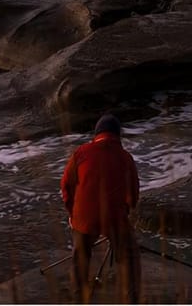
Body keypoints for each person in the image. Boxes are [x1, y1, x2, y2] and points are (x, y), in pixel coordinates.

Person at [60, 113, 142, 302]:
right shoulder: (125, 157)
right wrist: (127, 210)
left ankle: (79, 298)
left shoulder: (80, 152)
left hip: (84, 217)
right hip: (114, 217)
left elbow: (66, 185)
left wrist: (72, 213)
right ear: (117, 135)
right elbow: (133, 193)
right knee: (130, 256)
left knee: (80, 256)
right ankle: (132, 300)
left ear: (96, 134)